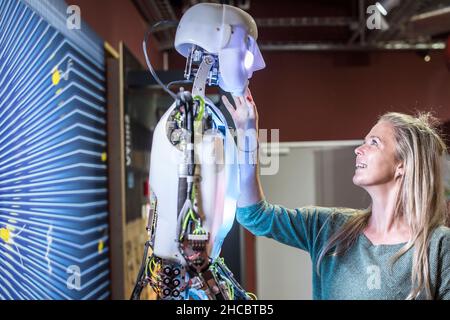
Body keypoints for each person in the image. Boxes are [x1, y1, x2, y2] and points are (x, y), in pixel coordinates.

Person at [222, 88, 450, 300]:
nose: (358, 149)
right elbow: (254, 216)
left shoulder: (440, 245)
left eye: (374, 142)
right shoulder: (329, 227)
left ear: (403, 164)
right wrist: (247, 133)